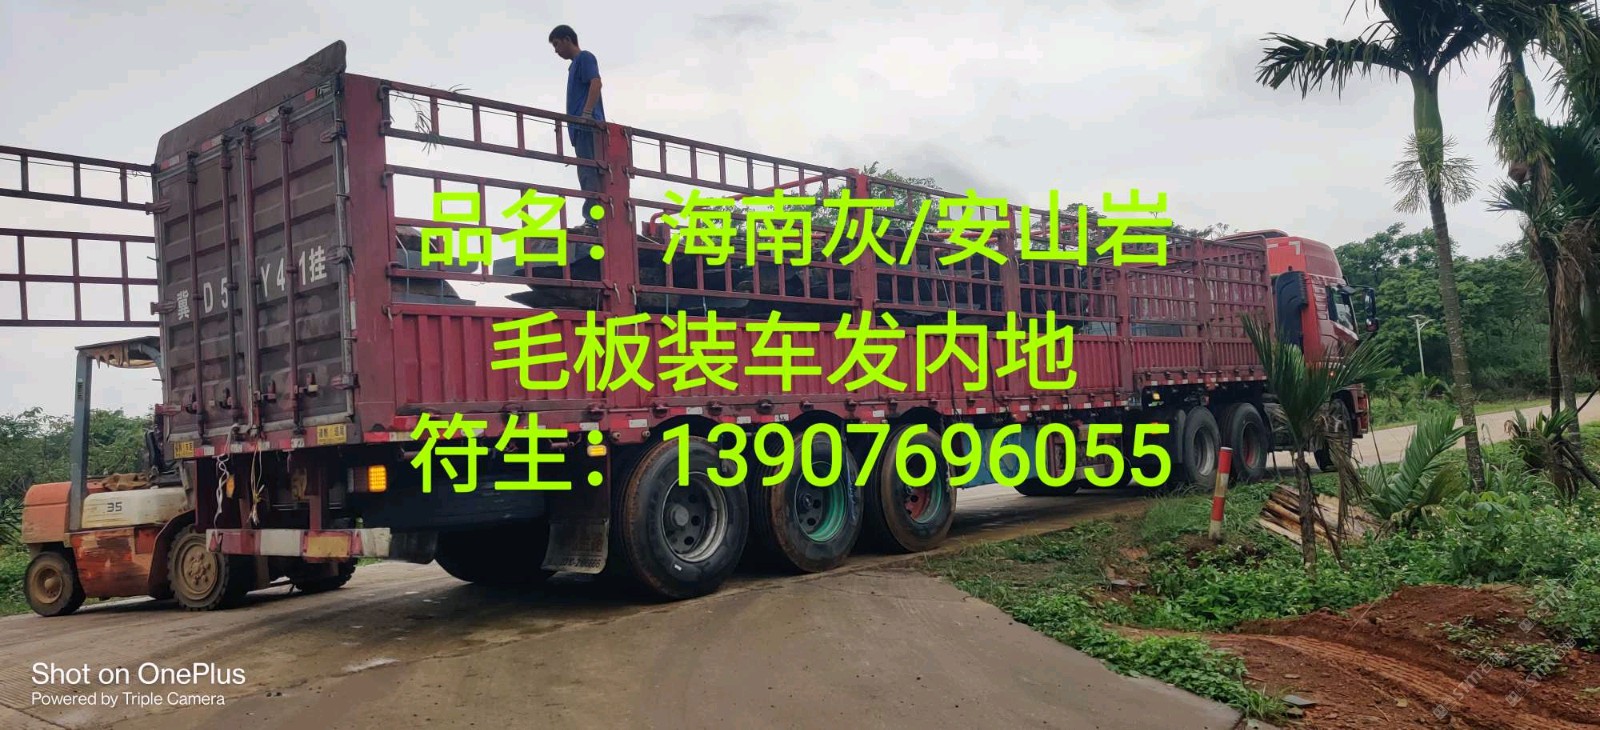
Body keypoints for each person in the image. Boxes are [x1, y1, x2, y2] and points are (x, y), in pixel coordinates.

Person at [549, 24, 605, 232]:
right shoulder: (574, 66)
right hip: (580, 128)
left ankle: (594, 220)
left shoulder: (585, 58)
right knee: (587, 173)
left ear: (567, 39)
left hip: (587, 127)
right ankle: (596, 218)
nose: (556, 50)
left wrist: (587, 114)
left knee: (589, 173)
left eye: (557, 44)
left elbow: (596, 83)